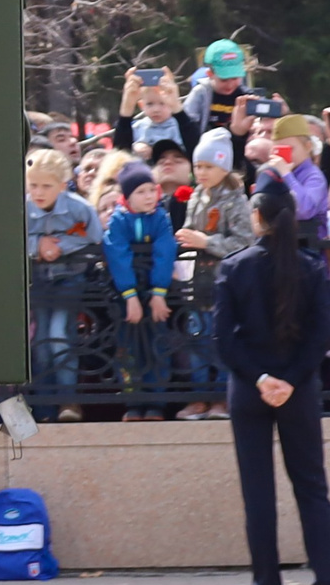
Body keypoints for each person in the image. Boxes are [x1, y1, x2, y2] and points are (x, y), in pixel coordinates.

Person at [213, 178, 330, 585]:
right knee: (313, 491)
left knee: (258, 494)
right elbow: (320, 337)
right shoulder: (312, 268)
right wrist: (291, 380)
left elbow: (224, 340)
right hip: (299, 392)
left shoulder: (234, 267)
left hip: (248, 390)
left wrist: (261, 378)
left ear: (257, 217)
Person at [176, 127, 258, 420]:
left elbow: (245, 242)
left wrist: (206, 242)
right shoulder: (197, 195)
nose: (201, 172)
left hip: (225, 283)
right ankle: (199, 397)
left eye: (208, 166)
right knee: (195, 339)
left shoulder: (236, 199)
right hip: (197, 282)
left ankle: (223, 398)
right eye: (198, 166)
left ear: (223, 166)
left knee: (221, 340)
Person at [103, 161, 180, 420]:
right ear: (127, 196)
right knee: (128, 349)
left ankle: (156, 403)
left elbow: (165, 252)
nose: (149, 197)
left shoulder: (160, 217)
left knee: (157, 344)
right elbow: (118, 256)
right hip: (125, 297)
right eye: (141, 192)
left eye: (151, 190)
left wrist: (159, 292)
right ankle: (133, 401)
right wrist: (130, 297)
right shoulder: (119, 219)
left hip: (154, 293)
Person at [27, 147, 101, 422]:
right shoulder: (21, 208)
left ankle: (68, 402)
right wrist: (37, 246)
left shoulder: (78, 208)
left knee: (59, 335)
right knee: (41, 343)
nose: (39, 192)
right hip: (37, 283)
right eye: (33, 185)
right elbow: (8, 239)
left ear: (62, 185)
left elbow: (94, 237)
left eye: (46, 186)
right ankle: (45, 407)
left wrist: (62, 246)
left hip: (69, 278)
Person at [263, 114, 329, 244]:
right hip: (279, 243)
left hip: (308, 249)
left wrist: (287, 174)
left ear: (308, 147)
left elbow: (304, 210)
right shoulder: (274, 172)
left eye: (289, 149)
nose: (283, 155)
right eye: (278, 150)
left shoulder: (314, 176)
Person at [182, 39, 256, 142]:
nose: (230, 85)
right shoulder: (200, 93)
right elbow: (187, 124)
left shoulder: (246, 95)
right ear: (210, 74)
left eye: (235, 78)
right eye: (224, 80)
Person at [116, 67, 189, 155]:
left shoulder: (178, 126)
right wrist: (137, 147)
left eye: (162, 103)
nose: (156, 110)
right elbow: (124, 148)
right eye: (150, 104)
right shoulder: (139, 127)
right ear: (141, 105)